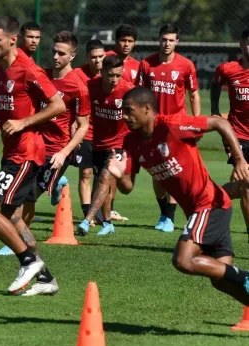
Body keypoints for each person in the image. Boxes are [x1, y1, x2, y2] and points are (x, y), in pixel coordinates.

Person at [78, 86, 249, 308]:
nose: (125, 117)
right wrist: (118, 175)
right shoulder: (131, 142)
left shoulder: (172, 125)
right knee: (219, 280)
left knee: (183, 260)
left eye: (129, 111)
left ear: (147, 109)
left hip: (209, 204)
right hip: (205, 208)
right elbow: (128, 187)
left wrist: (239, 160)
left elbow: (220, 123)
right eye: (123, 112)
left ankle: (244, 275)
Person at [0, 16, 65, 293]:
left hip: (27, 153)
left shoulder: (29, 70)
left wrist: (24, 123)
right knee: (11, 216)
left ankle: (28, 262)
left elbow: (57, 106)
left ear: (12, 39)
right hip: (13, 153)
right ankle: (46, 279)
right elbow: (1, 113)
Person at [13, 30, 89, 296]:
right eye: (54, 51)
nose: (55, 57)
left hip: (54, 153)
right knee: (22, 202)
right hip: (33, 147)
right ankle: (27, 253)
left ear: (73, 55)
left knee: (23, 202)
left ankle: (28, 257)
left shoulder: (77, 85)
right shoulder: (42, 75)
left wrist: (64, 152)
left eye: (61, 53)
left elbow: (83, 126)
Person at [138, 23, 201, 232]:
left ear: (177, 42)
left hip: (178, 127)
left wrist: (197, 122)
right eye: (164, 39)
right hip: (153, 128)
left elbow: (193, 94)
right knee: (158, 174)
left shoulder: (186, 65)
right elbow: (139, 95)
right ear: (159, 40)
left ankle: (170, 218)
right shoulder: (146, 64)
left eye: (171, 40)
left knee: (175, 172)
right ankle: (164, 212)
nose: (167, 43)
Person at [77, 55, 134, 236]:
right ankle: (108, 223)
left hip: (120, 143)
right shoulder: (90, 87)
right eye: (110, 75)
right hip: (98, 144)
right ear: (101, 72)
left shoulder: (127, 90)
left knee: (104, 178)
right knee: (105, 184)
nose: (114, 80)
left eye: (118, 75)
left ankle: (87, 220)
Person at [211, 28, 249, 242]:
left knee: (239, 187)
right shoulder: (228, 69)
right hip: (238, 136)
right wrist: (215, 110)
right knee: (247, 185)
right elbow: (215, 84)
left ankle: (209, 197)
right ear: (241, 44)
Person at [73, 40, 104, 219]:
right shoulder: (77, 74)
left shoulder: (109, 74)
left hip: (104, 134)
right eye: (93, 57)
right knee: (85, 172)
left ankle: (102, 213)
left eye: (101, 56)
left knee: (103, 176)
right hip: (84, 130)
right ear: (87, 57)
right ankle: (87, 215)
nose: (97, 61)